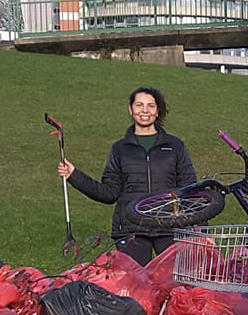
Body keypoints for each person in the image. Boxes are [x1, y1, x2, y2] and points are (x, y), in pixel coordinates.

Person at [57, 85, 196, 264]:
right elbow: (108, 193)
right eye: (139, 105)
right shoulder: (119, 149)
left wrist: (199, 226)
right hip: (131, 229)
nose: (145, 110)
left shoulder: (175, 146)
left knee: (174, 285)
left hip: (169, 226)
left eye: (151, 106)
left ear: (157, 111)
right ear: (130, 109)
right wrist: (74, 175)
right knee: (134, 285)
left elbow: (191, 189)